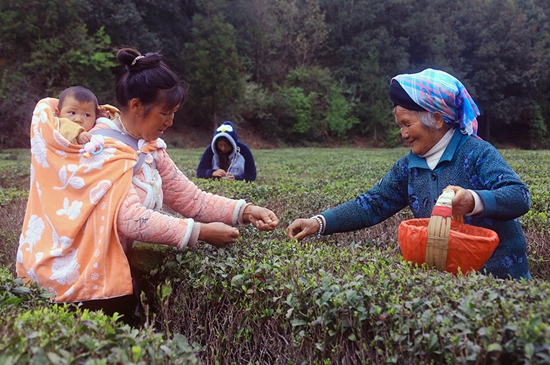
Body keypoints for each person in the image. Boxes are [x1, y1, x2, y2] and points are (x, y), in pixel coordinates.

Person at [17, 47, 279, 323]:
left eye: (174, 112)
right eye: (165, 113)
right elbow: (129, 218)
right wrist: (199, 232)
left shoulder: (149, 147)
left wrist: (245, 211)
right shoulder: (98, 150)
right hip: (78, 285)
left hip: (109, 272)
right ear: (137, 106)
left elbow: (190, 198)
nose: (171, 121)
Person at [286, 68, 531, 281]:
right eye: (400, 126)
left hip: (500, 283)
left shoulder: (476, 153)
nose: (403, 134)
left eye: (407, 124)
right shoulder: (408, 167)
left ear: (436, 119)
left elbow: (519, 195)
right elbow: (372, 204)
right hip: (450, 285)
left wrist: (473, 200)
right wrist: (318, 222)